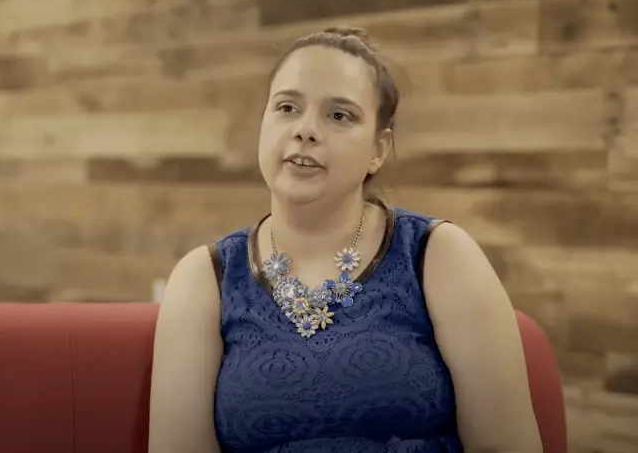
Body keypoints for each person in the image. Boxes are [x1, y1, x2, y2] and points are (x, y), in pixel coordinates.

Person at [148, 26, 543, 453]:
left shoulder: (439, 254)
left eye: (339, 115)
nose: (305, 130)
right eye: (287, 107)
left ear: (378, 150)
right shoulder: (206, 276)